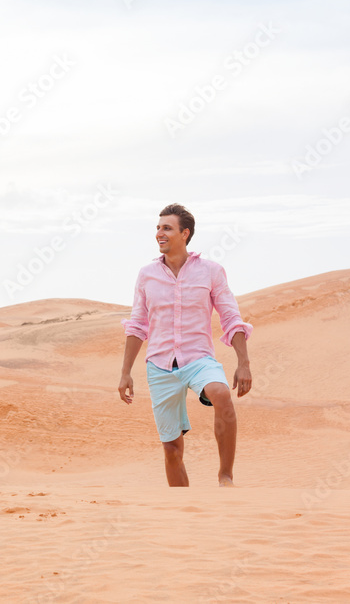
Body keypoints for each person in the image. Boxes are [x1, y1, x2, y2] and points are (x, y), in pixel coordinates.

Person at [119, 204, 252, 487]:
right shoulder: (146, 275)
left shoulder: (211, 271)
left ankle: (225, 476)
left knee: (221, 394)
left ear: (185, 233)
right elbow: (137, 325)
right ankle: (182, 513)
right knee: (172, 450)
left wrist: (244, 363)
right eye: (157, 228)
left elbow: (230, 317)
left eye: (166, 228)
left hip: (198, 359)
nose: (159, 234)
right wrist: (125, 372)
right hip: (159, 365)